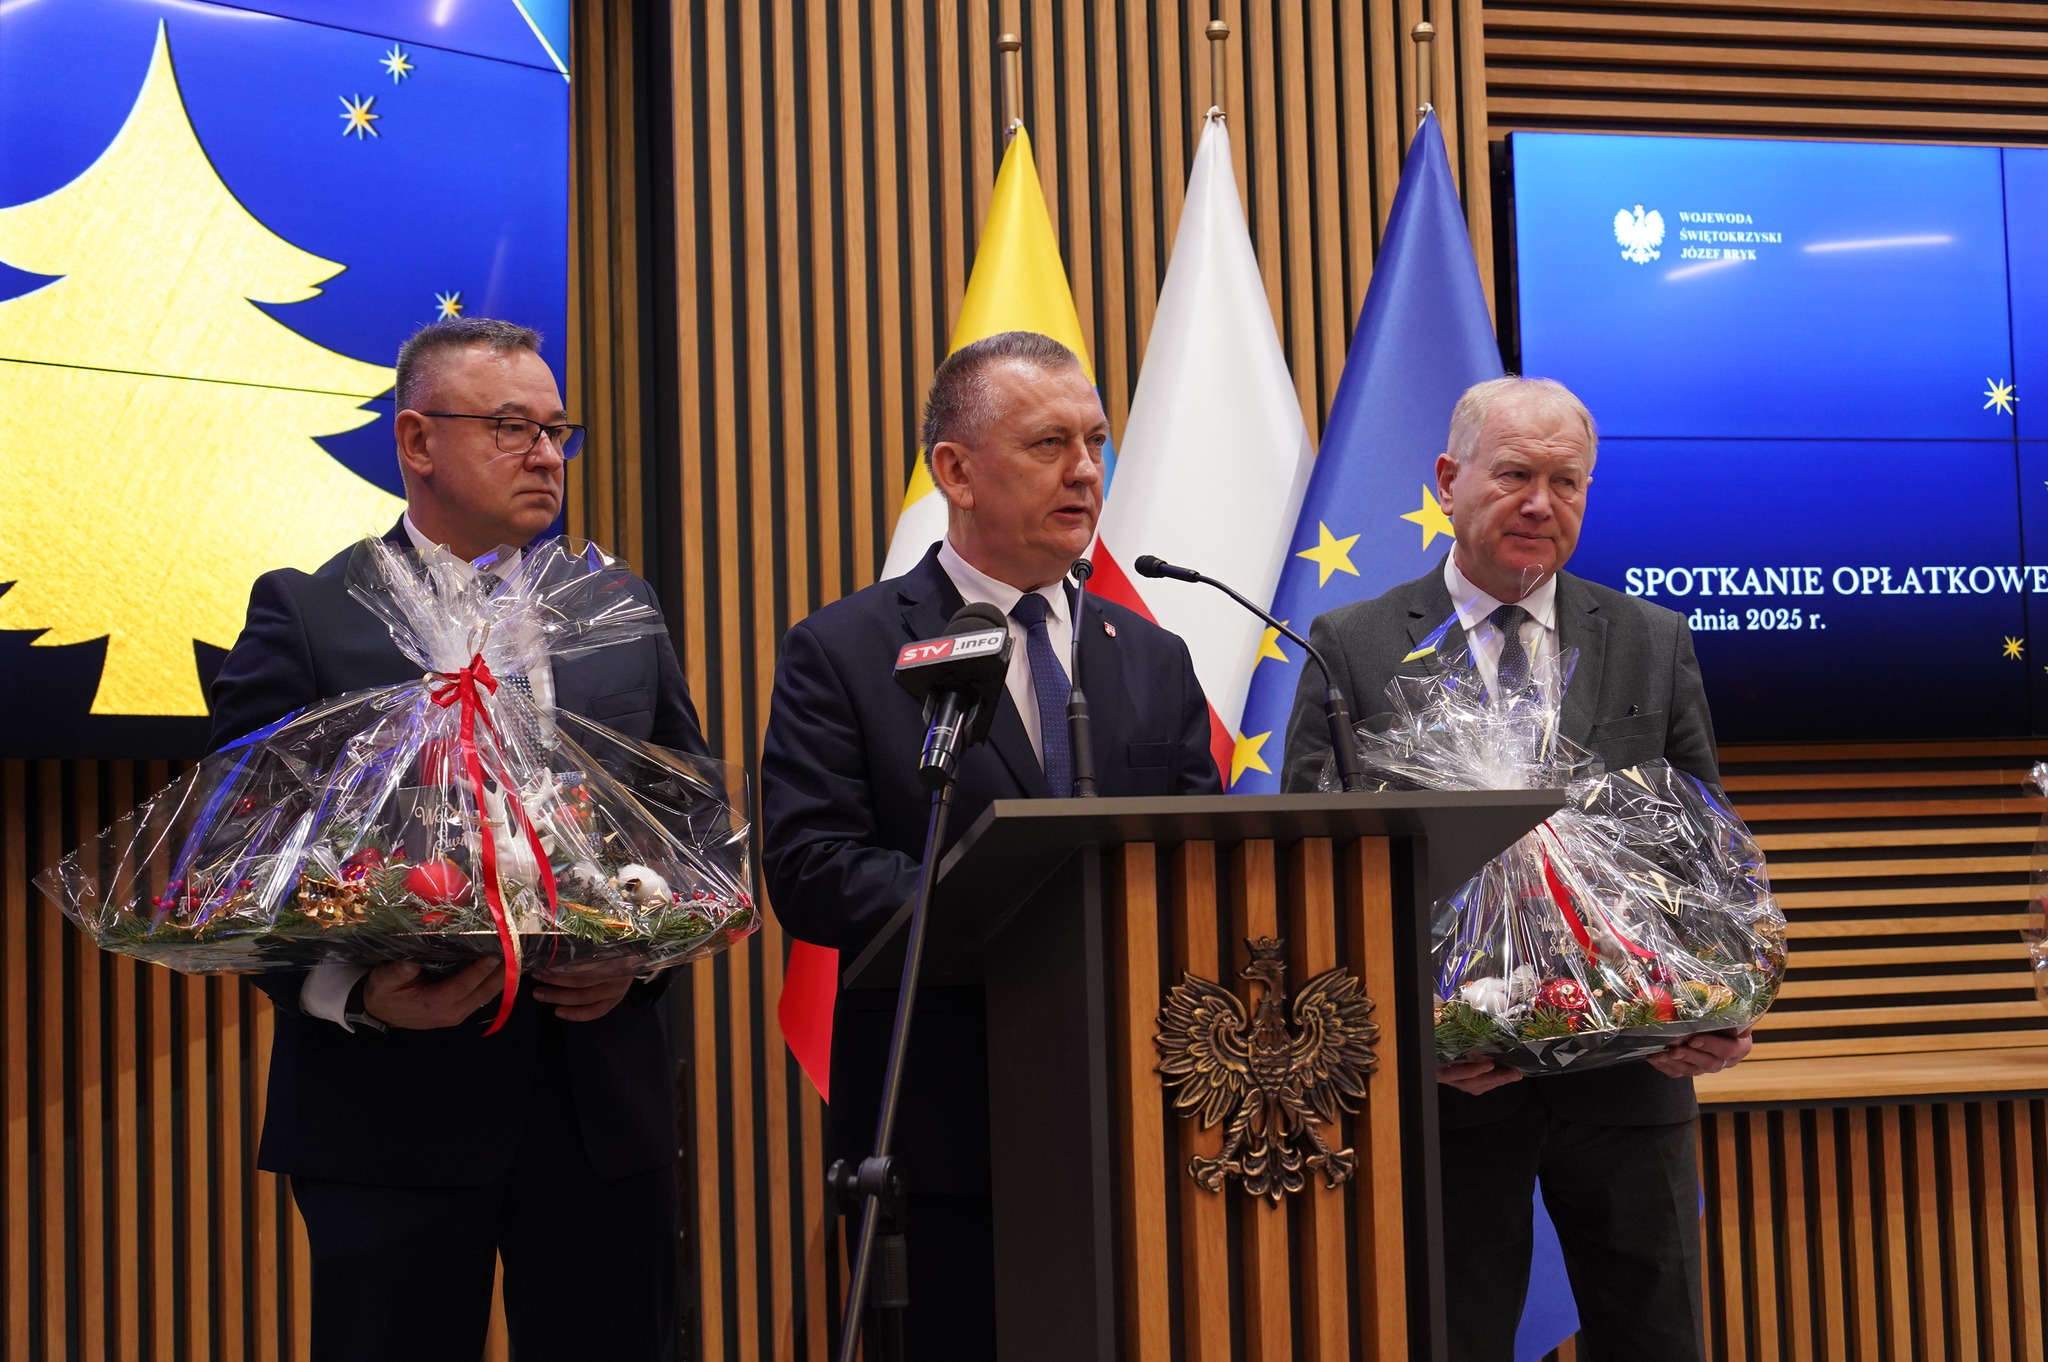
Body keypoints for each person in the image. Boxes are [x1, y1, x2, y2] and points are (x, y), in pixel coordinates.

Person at [209, 317, 709, 1362]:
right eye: (511, 426)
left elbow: (691, 821)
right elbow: (232, 854)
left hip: (597, 1108)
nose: (546, 455)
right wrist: (348, 988)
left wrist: (644, 957)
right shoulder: (312, 615)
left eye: (557, 430)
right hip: (387, 1108)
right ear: (417, 440)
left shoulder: (618, 609)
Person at [759, 330, 1220, 1359]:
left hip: (1146, 1118)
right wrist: (1013, 903)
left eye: (1095, 442)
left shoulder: (1149, 655)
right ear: (955, 472)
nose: (1085, 471)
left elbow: (1197, 858)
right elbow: (811, 868)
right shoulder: (846, 650)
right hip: (942, 1126)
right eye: (1049, 444)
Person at [1280, 376, 1749, 1362]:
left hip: (1632, 1076)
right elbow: (1316, 875)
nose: (1541, 503)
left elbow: (1700, 847)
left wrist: (1722, 1004)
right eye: (1514, 475)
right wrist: (1403, 1040)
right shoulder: (1351, 647)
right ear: (1447, 480)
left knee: (1658, 1341)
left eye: (1565, 482)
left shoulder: (1650, 639)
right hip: (1450, 1086)